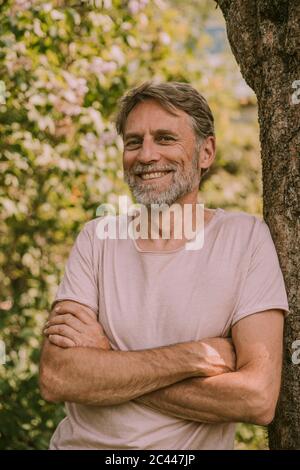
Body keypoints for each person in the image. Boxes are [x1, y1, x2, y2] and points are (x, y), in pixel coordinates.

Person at [39, 81, 289, 450]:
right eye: (134, 141)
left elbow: (256, 398)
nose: (146, 155)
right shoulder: (97, 238)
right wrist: (193, 357)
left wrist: (108, 363)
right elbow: (58, 377)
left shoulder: (244, 238)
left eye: (165, 138)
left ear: (206, 152)